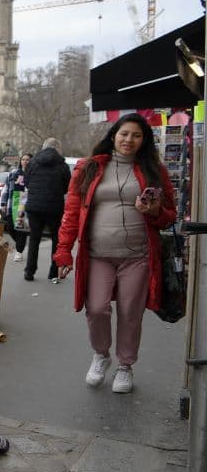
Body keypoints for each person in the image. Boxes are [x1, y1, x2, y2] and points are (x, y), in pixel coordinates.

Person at [54, 114, 175, 394]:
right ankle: (101, 354)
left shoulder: (154, 170)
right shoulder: (89, 168)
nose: (128, 140)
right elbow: (71, 213)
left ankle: (125, 365)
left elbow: (170, 216)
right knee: (96, 309)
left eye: (136, 135)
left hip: (138, 256)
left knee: (130, 312)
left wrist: (154, 211)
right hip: (97, 255)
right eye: (124, 134)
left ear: (144, 140)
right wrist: (63, 253)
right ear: (113, 135)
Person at [22, 137, 71, 282]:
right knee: (56, 239)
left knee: (34, 239)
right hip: (54, 207)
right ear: (57, 148)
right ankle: (53, 272)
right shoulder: (62, 165)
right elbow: (66, 186)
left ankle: (29, 271)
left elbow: (27, 182)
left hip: (34, 206)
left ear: (44, 147)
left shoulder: (33, 162)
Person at [0, 153, 32, 262]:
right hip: (12, 205)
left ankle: (19, 251)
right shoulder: (13, 173)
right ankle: (20, 244)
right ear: (20, 161)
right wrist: (3, 204)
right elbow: (5, 189)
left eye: (28, 160)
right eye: (23, 159)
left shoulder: (33, 174)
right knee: (10, 227)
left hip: (24, 205)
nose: (25, 161)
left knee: (21, 228)